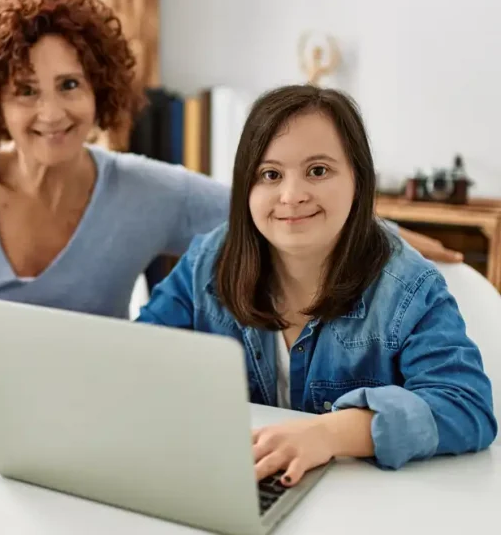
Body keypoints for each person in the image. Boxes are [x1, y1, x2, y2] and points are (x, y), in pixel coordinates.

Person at [0, 0, 462, 376]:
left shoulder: (144, 189)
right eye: (25, 91)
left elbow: (276, 205)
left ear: (99, 89)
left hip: (90, 413)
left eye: (69, 85)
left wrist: (400, 234)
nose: (50, 113)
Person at [136, 84, 497, 486]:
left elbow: (467, 407)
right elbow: (137, 358)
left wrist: (332, 433)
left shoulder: (408, 286)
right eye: (270, 174)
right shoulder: (209, 262)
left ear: (358, 180)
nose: (292, 196)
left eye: (318, 171)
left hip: (366, 503)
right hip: (239, 482)